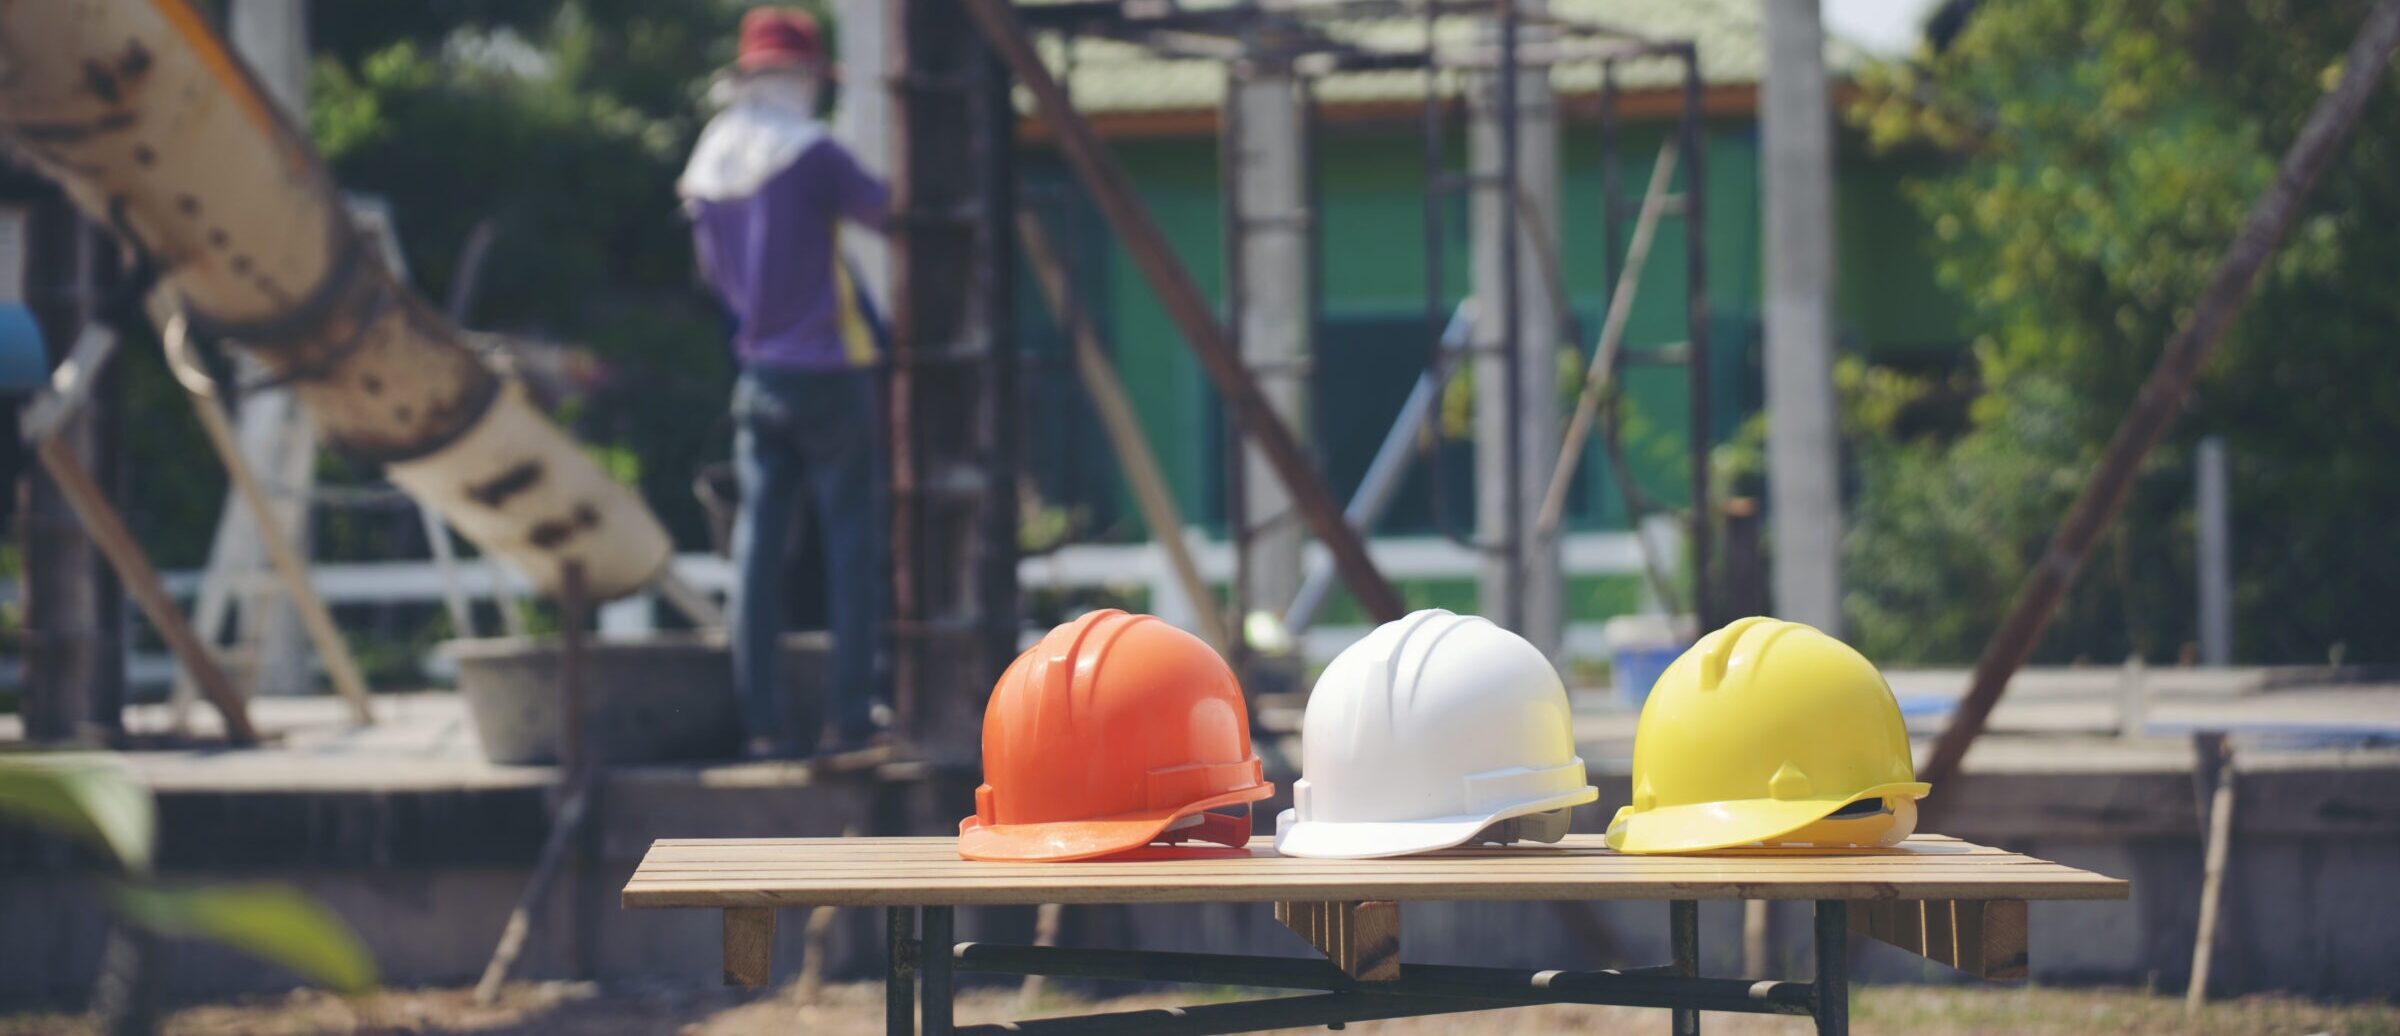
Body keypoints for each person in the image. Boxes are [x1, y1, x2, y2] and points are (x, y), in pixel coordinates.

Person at [679, 8, 891, 760]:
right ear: (804, 79)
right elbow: (892, 213)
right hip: (832, 371)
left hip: (759, 371)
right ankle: (850, 716)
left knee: (757, 556)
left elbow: (713, 276)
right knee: (852, 550)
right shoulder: (813, 154)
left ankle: (762, 724)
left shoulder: (709, 166)